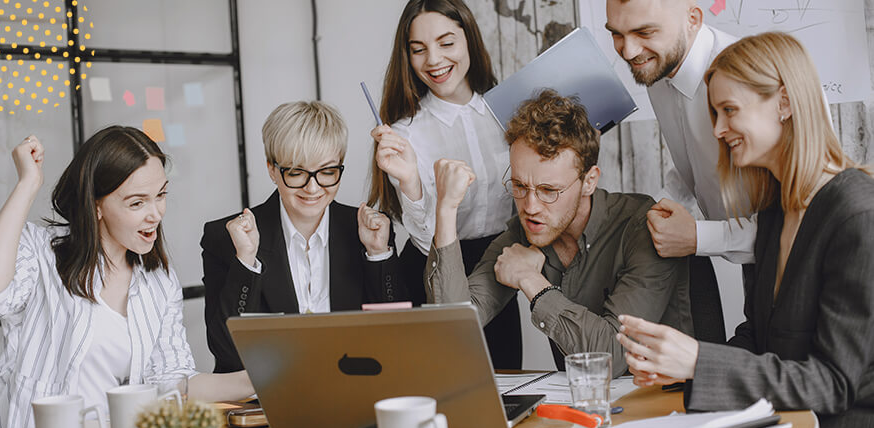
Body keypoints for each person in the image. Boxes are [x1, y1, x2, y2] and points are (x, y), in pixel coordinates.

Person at [617, 32, 874, 428]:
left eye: (729, 111)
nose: (717, 130)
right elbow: (759, 338)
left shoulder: (855, 215)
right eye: (714, 113)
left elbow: (832, 384)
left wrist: (700, 360)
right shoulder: (776, 211)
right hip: (785, 425)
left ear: (785, 104)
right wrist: (678, 367)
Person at [0, 127, 254, 428]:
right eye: (137, 203)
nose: (156, 214)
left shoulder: (158, 281)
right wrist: (28, 183)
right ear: (96, 205)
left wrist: (262, 380)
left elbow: (173, 382)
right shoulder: (41, 252)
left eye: (161, 195)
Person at [425, 89, 692, 375]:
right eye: (519, 186)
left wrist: (531, 280)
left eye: (548, 191)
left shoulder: (642, 228)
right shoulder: (523, 232)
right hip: (584, 407)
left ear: (589, 181)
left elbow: (613, 356)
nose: (530, 206)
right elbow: (453, 326)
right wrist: (445, 210)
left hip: (671, 406)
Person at [367, 0, 522, 368]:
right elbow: (425, 243)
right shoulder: (405, 134)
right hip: (430, 272)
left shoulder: (510, 114)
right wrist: (409, 181)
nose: (432, 60)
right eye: (418, 49)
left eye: (446, 42)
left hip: (497, 266)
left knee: (505, 389)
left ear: (469, 38)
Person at [202, 101, 405, 373]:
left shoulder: (368, 232)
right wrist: (246, 262)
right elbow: (227, 353)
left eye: (327, 172)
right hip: (266, 402)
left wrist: (378, 255)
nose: (313, 188)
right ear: (272, 169)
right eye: (296, 173)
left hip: (355, 392)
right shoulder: (227, 237)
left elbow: (398, 338)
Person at [605, 0, 743, 343]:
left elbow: (792, 230)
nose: (629, 51)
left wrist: (696, 237)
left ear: (693, 18)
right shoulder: (656, 66)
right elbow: (694, 157)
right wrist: (664, 202)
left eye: (644, 32)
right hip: (751, 263)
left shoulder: (748, 80)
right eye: (617, 34)